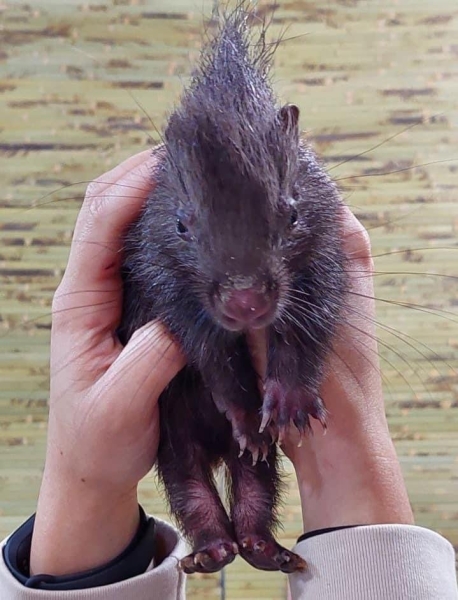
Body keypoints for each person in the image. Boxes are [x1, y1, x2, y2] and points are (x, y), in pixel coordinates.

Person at [0, 150, 456, 599]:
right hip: (180, 403)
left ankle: (252, 530)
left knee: (252, 467)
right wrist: (86, 486)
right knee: (187, 470)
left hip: (244, 409)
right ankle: (212, 538)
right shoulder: (158, 242)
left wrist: (82, 492)